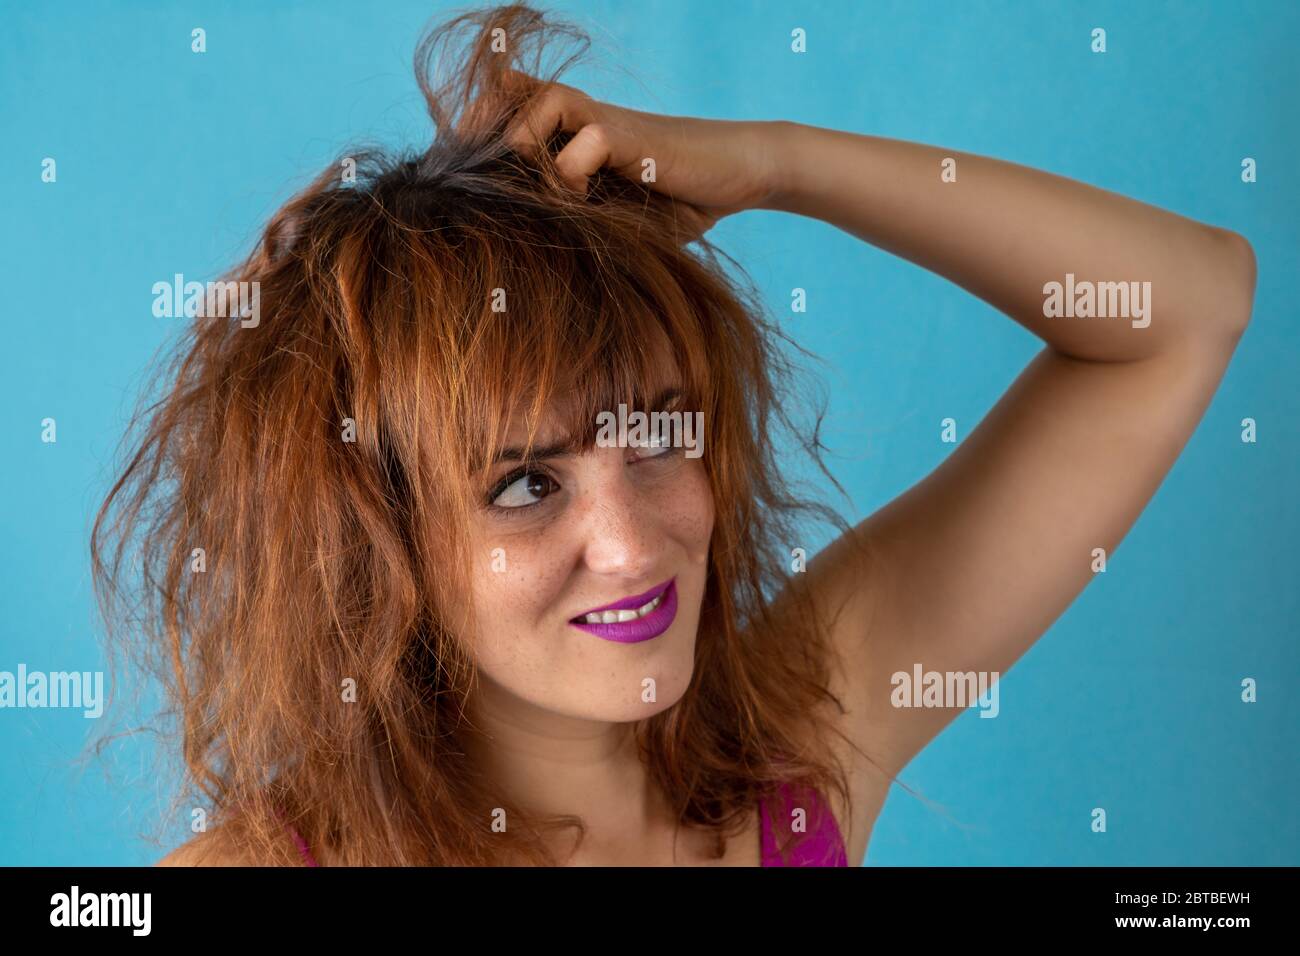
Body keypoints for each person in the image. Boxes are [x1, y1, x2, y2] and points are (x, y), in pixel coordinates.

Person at [101, 3, 1254, 867]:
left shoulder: (800, 756)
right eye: (523, 484)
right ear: (374, 539)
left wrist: (777, 165)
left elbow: (1185, 308)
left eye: (655, 433)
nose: (634, 542)